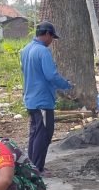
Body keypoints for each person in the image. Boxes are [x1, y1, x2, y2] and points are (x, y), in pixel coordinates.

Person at [20, 20, 73, 173]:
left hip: (31, 99)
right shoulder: (43, 51)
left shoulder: (26, 50)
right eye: (52, 38)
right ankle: (37, 168)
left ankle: (32, 166)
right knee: (43, 135)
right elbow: (51, 75)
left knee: (35, 133)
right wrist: (66, 85)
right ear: (47, 34)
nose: (51, 41)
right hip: (42, 100)